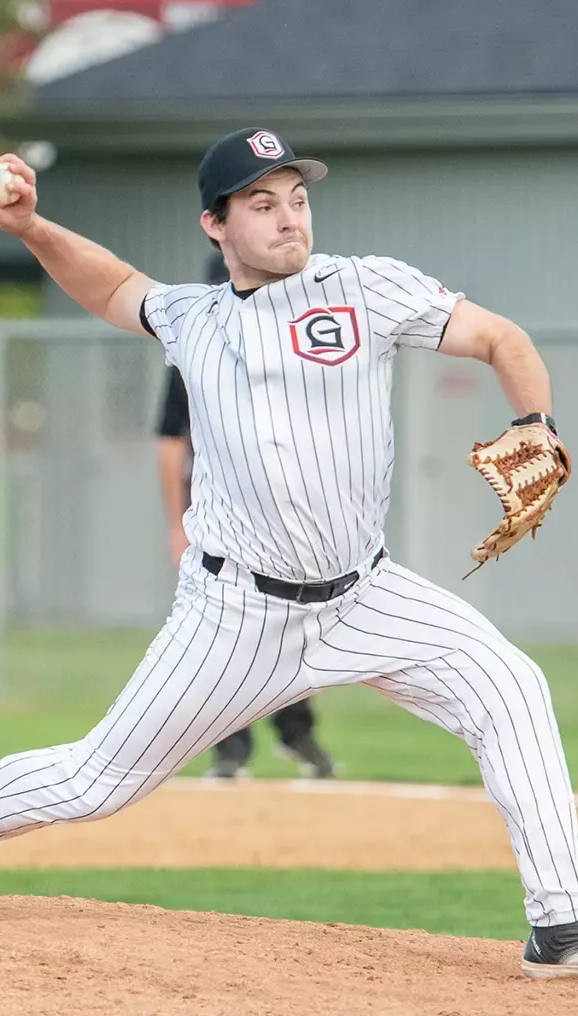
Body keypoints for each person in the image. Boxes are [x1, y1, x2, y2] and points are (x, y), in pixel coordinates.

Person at [0, 130, 578, 986]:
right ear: (216, 225)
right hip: (235, 617)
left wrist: (535, 423)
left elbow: (502, 339)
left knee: (511, 688)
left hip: (365, 597)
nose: (290, 217)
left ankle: (562, 925)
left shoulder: (366, 290)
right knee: (95, 781)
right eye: (261, 204)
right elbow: (109, 287)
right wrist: (28, 228)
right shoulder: (193, 318)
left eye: (296, 198)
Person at [156, 252, 336, 781]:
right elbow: (170, 444)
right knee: (222, 639)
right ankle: (230, 750)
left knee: (295, 633)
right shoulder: (193, 355)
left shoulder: (287, 358)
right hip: (218, 523)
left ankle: (296, 733)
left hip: (287, 523)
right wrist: (175, 525)